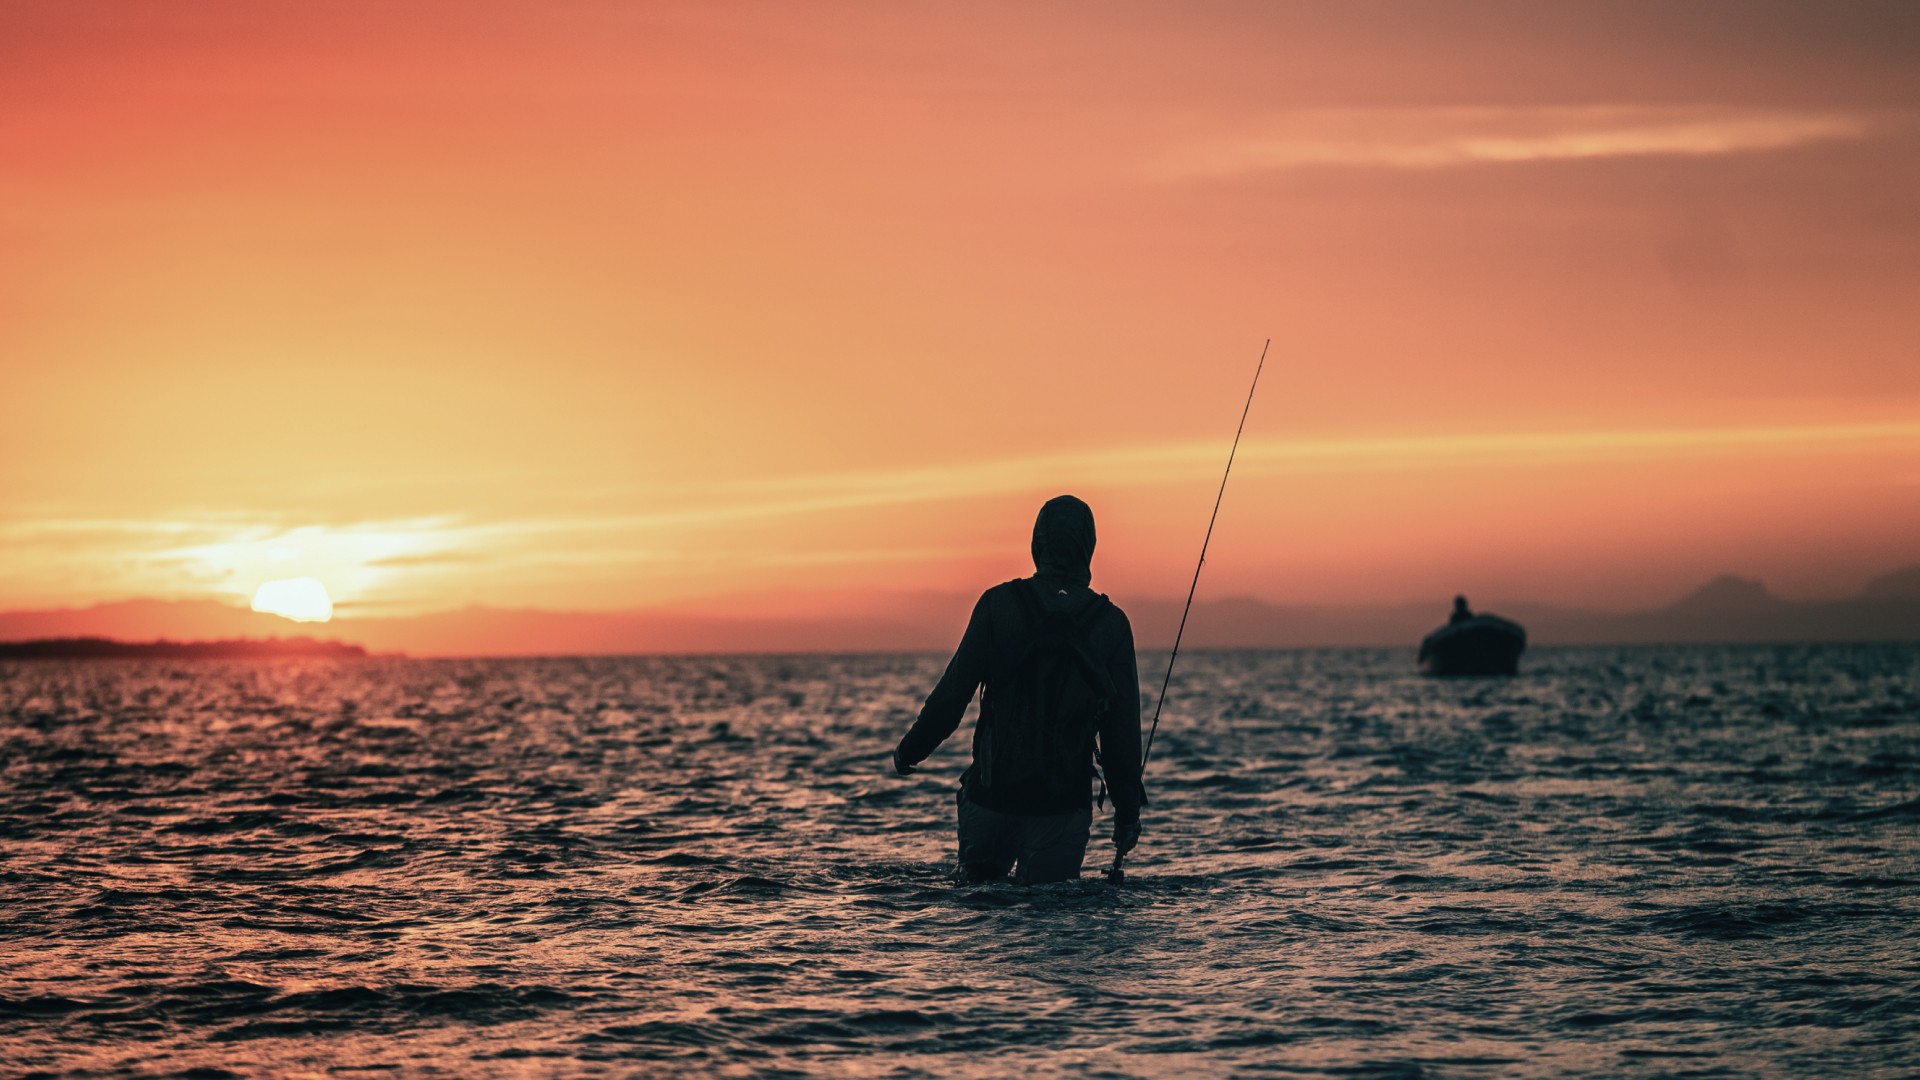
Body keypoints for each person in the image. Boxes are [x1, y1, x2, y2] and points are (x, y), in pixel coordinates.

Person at [891, 494, 1144, 884]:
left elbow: (953, 694)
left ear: (1036, 544)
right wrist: (1127, 814)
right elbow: (1121, 733)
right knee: (1052, 923)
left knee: (982, 911)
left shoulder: (998, 605)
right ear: (1088, 548)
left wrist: (911, 750)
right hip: (1062, 809)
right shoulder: (1111, 624)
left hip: (991, 799)